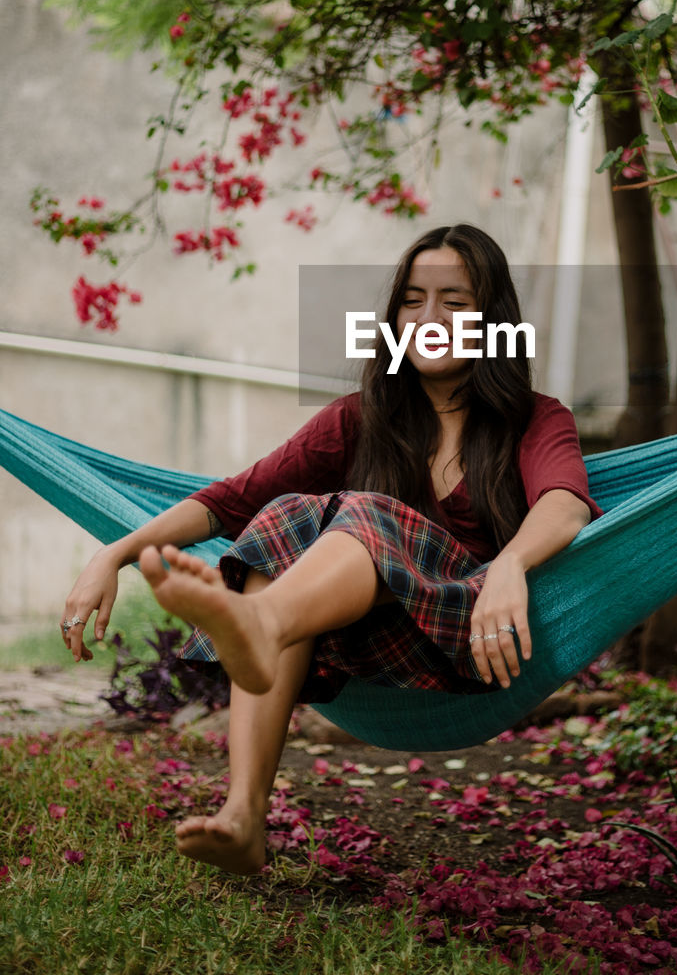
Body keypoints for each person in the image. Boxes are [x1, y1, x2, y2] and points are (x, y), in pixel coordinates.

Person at [59, 223, 600, 874]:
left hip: (469, 631)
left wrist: (512, 563)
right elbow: (231, 500)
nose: (429, 318)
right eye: (411, 299)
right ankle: (242, 816)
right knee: (286, 517)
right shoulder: (358, 419)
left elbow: (565, 503)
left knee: (356, 514)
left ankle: (258, 624)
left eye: (454, 301)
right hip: (364, 640)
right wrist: (112, 553)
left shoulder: (534, 419)